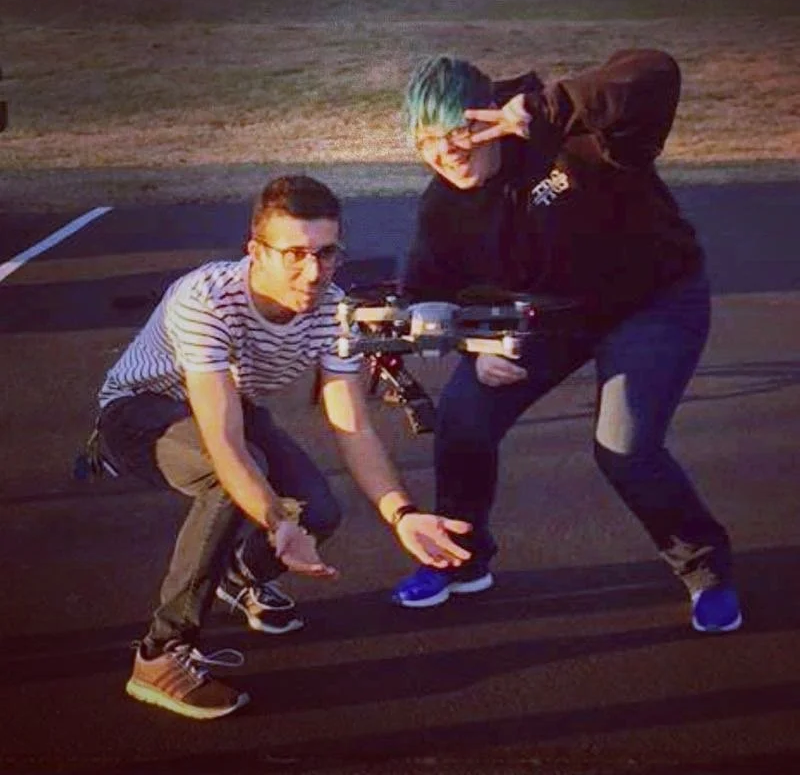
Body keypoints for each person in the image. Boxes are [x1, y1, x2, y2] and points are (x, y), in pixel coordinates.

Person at [391, 49, 743, 635]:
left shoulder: (577, 140)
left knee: (624, 449)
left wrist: (546, 108)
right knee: (463, 415)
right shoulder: (443, 207)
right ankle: (462, 558)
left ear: (491, 114)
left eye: (460, 131)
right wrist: (477, 345)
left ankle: (706, 569)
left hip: (652, 302)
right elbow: (427, 296)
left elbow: (656, 71)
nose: (446, 151)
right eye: (426, 140)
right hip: (553, 315)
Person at [95, 175, 472, 720]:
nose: (313, 272)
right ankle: (160, 653)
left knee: (318, 512)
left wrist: (402, 514)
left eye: (326, 252)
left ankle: (236, 577)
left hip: (230, 406)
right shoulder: (206, 299)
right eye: (294, 254)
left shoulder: (332, 310)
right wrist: (274, 518)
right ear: (256, 251)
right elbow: (224, 443)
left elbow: (353, 428)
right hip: (138, 412)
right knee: (236, 479)